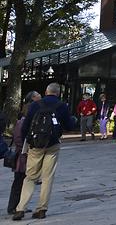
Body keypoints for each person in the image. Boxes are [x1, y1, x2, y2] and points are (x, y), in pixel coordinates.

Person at [13, 82, 76, 221]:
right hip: (52, 145)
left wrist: (28, 143)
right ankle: (41, 209)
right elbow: (69, 126)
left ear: (46, 91)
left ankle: (20, 208)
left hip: (35, 145)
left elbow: (26, 126)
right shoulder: (62, 106)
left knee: (30, 177)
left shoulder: (36, 105)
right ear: (58, 93)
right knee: (47, 177)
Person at [7, 91, 39, 215]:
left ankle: (19, 205)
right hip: (23, 156)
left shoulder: (23, 120)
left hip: (24, 154)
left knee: (21, 182)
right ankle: (14, 207)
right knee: (19, 182)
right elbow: (19, 139)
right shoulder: (23, 121)